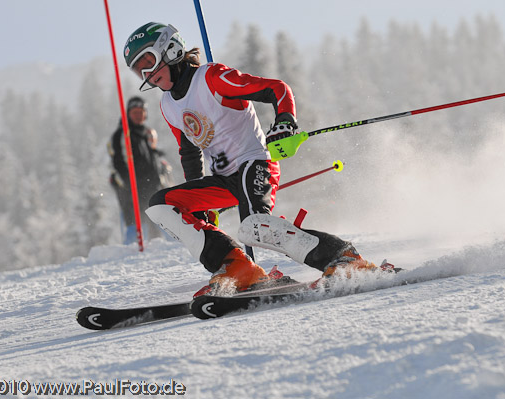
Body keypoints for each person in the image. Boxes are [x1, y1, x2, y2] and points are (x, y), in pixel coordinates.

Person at [123, 22, 393, 295]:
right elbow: (189, 150)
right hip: (223, 180)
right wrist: (201, 202)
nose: (146, 74)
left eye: (148, 61)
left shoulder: (212, 78)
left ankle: (343, 259)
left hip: (255, 162)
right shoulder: (168, 105)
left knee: (254, 227)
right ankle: (237, 267)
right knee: (160, 206)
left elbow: (277, 89)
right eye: (138, 69)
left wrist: (285, 121)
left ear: (171, 49)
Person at [108, 96, 173, 244]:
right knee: (136, 224)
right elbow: (117, 162)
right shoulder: (122, 135)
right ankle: (131, 251)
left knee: (162, 219)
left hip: (153, 186)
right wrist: (128, 183)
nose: (138, 115)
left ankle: (173, 245)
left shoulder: (146, 134)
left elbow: (152, 158)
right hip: (132, 189)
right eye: (135, 112)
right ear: (128, 114)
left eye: (141, 112)